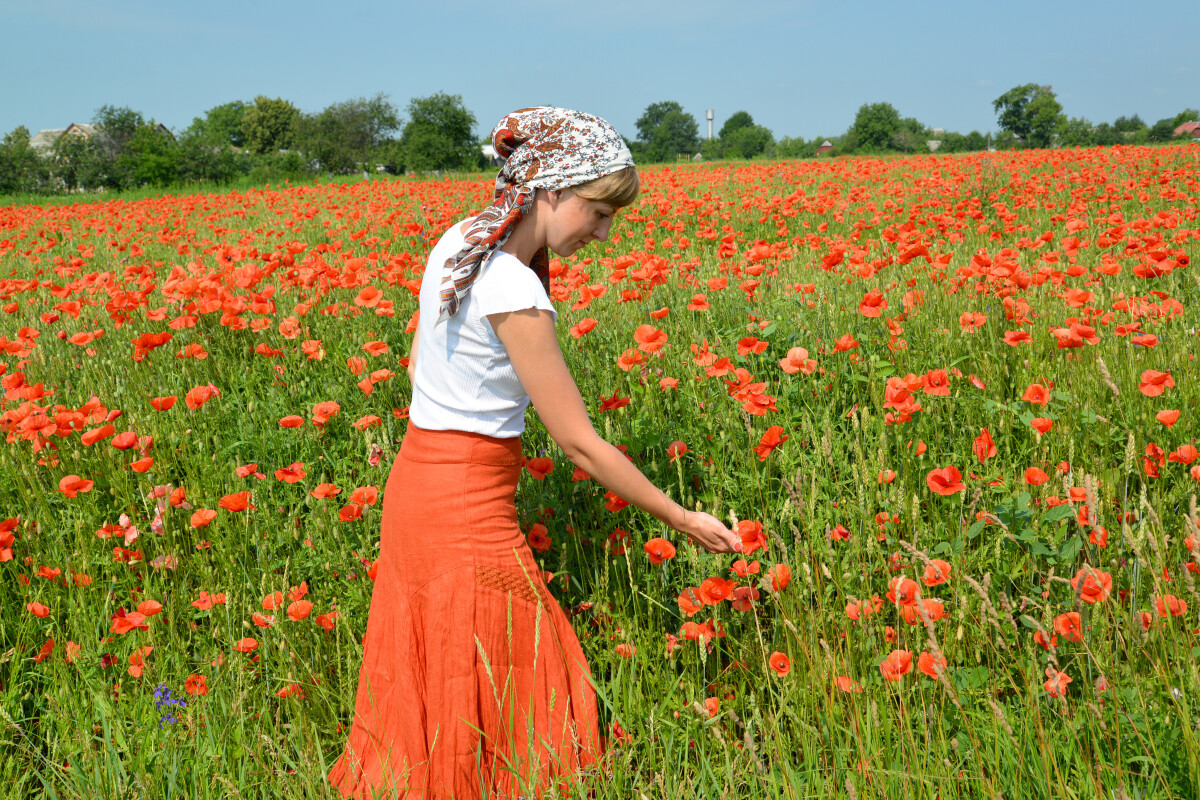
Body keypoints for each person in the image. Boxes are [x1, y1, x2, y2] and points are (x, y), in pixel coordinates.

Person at [328, 107, 742, 800]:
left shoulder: (459, 242)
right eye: (598, 212)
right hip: (465, 507)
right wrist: (681, 518)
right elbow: (578, 444)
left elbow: (417, 364)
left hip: (416, 487)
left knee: (448, 682)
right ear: (548, 188)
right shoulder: (514, 286)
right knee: (526, 672)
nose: (604, 233)